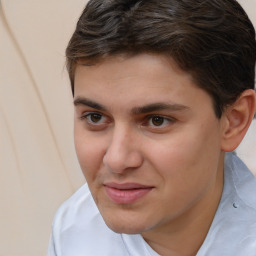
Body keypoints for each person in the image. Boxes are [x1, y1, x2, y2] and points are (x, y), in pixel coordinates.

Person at [48, 0, 256, 255]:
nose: (117, 159)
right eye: (95, 117)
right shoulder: (73, 230)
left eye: (157, 120)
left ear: (234, 121)